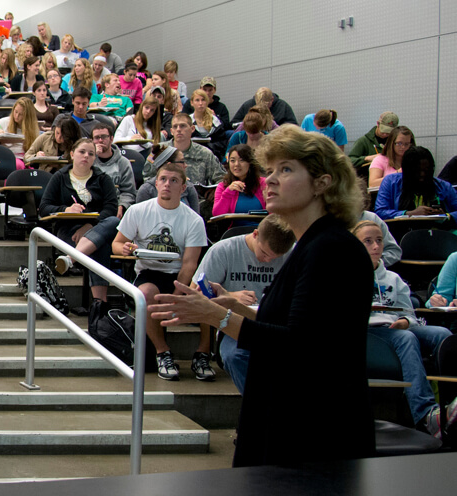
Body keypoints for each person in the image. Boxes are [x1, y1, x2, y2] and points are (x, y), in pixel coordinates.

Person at [147, 125, 375, 467]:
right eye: (269, 171)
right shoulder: (311, 246)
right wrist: (231, 307)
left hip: (314, 434)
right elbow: (291, 325)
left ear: (322, 183)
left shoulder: (330, 250)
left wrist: (216, 317)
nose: (269, 180)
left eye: (285, 170)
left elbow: (299, 345)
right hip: (296, 420)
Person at [354, 220, 456, 438]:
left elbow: (409, 313)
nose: (375, 246)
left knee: (443, 335)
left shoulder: (393, 278)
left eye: (379, 241)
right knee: (406, 338)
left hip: (397, 326)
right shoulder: (346, 275)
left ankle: (451, 408)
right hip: (370, 331)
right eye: (368, 241)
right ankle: (426, 415)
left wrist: (404, 321)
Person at [112, 155, 207, 380]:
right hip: (149, 272)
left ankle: (203, 354)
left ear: (183, 188)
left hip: (179, 274)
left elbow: (190, 263)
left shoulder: (194, 220)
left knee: (206, 294)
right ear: (155, 184)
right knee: (146, 294)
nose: (167, 184)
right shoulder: (138, 210)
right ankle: (163, 352)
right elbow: (117, 243)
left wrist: (177, 294)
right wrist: (124, 249)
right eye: (163, 179)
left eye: (174, 181)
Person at [192, 215, 295, 389]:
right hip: (235, 324)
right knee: (235, 356)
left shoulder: (293, 255)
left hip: (276, 325)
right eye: (264, 253)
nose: (268, 260)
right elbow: (195, 293)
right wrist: (231, 296)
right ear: (255, 234)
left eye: (275, 257)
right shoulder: (223, 250)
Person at [39, 138, 119, 300]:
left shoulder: (103, 179)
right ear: (72, 154)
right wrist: (65, 209)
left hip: (97, 228)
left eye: (91, 154)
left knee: (114, 222)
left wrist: (89, 226)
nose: (86, 156)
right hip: (69, 232)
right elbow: (44, 207)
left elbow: (111, 208)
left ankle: (70, 258)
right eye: (82, 152)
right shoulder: (59, 177)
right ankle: (100, 303)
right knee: (100, 246)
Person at [374, 146, 457, 220]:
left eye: (426, 170)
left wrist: (446, 216)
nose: (422, 175)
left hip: (438, 232)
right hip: (401, 233)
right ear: (407, 170)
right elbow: (380, 212)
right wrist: (409, 214)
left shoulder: (444, 187)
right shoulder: (390, 182)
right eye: (417, 171)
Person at [147, 114, 224, 189]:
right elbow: (147, 177)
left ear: (192, 129)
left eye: (182, 126)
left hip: (197, 199)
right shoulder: (159, 150)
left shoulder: (205, 153)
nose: (178, 129)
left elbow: (221, 178)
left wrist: (214, 192)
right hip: (165, 196)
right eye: (175, 127)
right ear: (171, 131)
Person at [91, 123, 136, 218]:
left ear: (111, 139)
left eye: (103, 137)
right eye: (96, 138)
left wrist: (121, 206)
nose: (100, 140)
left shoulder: (123, 163)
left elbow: (128, 192)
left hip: (115, 207)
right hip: (92, 207)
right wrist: (93, 157)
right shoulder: (88, 161)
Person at [137, 144, 199, 213]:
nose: (185, 165)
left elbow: (195, 217)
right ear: (169, 165)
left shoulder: (188, 187)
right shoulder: (147, 190)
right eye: (182, 162)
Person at [213, 144, 266, 216]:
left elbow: (274, 212)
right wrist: (228, 192)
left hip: (260, 226)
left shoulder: (263, 183)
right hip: (235, 227)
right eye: (232, 161)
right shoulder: (223, 186)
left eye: (242, 160)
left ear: (250, 163)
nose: (236, 164)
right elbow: (216, 214)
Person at [0, 97, 40, 164]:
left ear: (27, 116)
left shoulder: (33, 127)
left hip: (25, 159)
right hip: (6, 157)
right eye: (16, 112)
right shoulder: (3, 122)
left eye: (21, 114)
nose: (16, 116)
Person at [189, 88, 228, 159]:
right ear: (192, 103)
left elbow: (221, 143)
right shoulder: (188, 121)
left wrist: (208, 148)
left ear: (207, 102)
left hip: (212, 156)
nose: (200, 103)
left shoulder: (215, 121)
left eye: (203, 100)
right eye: (197, 100)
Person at [231, 87, 297, 128]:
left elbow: (293, 125)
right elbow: (233, 123)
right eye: (259, 105)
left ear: (272, 99)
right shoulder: (247, 105)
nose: (262, 109)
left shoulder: (283, 106)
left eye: (265, 105)